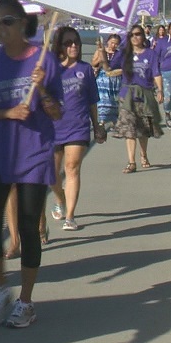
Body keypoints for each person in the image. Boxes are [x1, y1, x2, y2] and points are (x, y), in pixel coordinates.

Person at [0, 0, 63, 328]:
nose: (1, 28)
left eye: (6, 22)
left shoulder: (44, 59)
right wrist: (9, 112)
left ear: (23, 23)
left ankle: (25, 300)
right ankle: (0, 290)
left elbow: (57, 112)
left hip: (33, 154)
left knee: (27, 227)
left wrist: (43, 91)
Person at [47, 26, 106, 231]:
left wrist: (97, 125)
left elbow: (92, 101)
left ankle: (70, 216)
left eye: (76, 42)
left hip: (78, 126)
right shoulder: (50, 69)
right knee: (51, 172)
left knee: (72, 168)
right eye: (68, 43)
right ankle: (60, 198)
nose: (73, 46)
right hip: (52, 127)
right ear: (60, 46)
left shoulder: (85, 69)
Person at [107, 24, 164, 173]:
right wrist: (103, 51)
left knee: (143, 130)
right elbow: (109, 67)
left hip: (144, 94)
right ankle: (131, 162)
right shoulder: (124, 54)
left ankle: (143, 154)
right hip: (127, 95)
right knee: (129, 130)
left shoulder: (150, 54)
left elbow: (156, 73)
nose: (135, 37)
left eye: (138, 34)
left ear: (143, 36)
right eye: (132, 35)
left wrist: (160, 90)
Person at [91, 33, 122, 129]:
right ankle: (102, 121)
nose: (113, 45)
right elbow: (93, 63)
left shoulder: (119, 53)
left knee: (113, 100)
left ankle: (113, 119)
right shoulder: (100, 51)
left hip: (114, 79)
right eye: (112, 43)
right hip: (102, 78)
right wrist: (101, 58)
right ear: (108, 41)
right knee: (103, 99)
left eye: (116, 44)